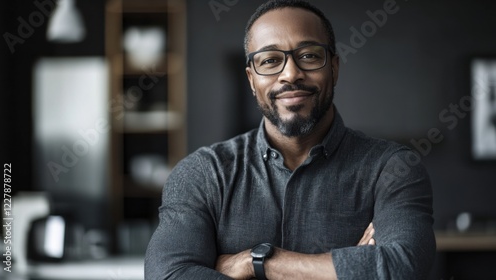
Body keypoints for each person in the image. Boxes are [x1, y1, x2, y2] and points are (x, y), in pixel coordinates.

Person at [145, 0, 435, 279]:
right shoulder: (202, 174)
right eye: (270, 60)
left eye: (309, 56)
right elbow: (168, 275)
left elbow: (402, 268)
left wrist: (256, 262)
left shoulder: (393, 168)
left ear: (333, 68)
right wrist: (347, 271)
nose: (291, 74)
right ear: (251, 79)